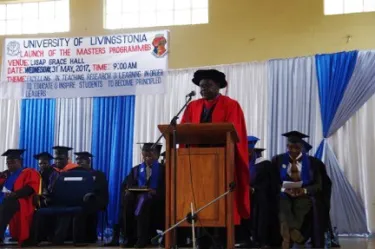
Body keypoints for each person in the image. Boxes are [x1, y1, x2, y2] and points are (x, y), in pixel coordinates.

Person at [180, 69, 250, 227]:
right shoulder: (192, 106)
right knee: (200, 198)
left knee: (219, 200)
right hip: (197, 163)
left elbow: (233, 133)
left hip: (221, 162)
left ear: (218, 86)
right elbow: (183, 130)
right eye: (201, 86)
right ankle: (201, 234)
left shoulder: (231, 105)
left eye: (208, 85)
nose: (203, 89)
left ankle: (221, 236)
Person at [271, 131, 322, 249]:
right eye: (290, 147)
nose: (293, 150)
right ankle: (296, 237)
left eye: (297, 147)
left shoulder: (313, 163)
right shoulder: (277, 160)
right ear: (287, 146)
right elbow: (272, 182)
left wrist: (304, 190)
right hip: (284, 194)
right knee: (283, 207)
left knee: (301, 206)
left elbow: (318, 185)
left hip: (303, 194)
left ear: (302, 146)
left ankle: (287, 239)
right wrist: (283, 189)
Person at [107, 143, 164, 248]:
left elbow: (167, 187)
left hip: (156, 200)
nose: (147, 158)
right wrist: (129, 190)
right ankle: (129, 238)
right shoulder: (136, 169)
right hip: (137, 198)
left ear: (157, 155)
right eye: (145, 156)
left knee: (143, 201)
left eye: (150, 156)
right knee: (128, 199)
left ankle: (142, 239)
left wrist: (156, 192)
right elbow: (127, 184)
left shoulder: (163, 169)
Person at [0, 149, 40, 246]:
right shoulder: (5, 174)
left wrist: (15, 194)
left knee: (8, 203)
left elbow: (30, 188)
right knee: (6, 202)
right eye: (8, 163)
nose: (10, 165)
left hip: (23, 200)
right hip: (7, 200)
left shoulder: (29, 172)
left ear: (20, 161)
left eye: (12, 162)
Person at [74, 151, 109, 243]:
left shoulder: (98, 174)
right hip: (79, 199)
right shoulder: (74, 174)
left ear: (88, 161)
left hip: (95, 199)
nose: (79, 163)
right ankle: (72, 236)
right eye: (78, 161)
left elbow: (99, 189)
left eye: (82, 161)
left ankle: (88, 237)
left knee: (87, 204)